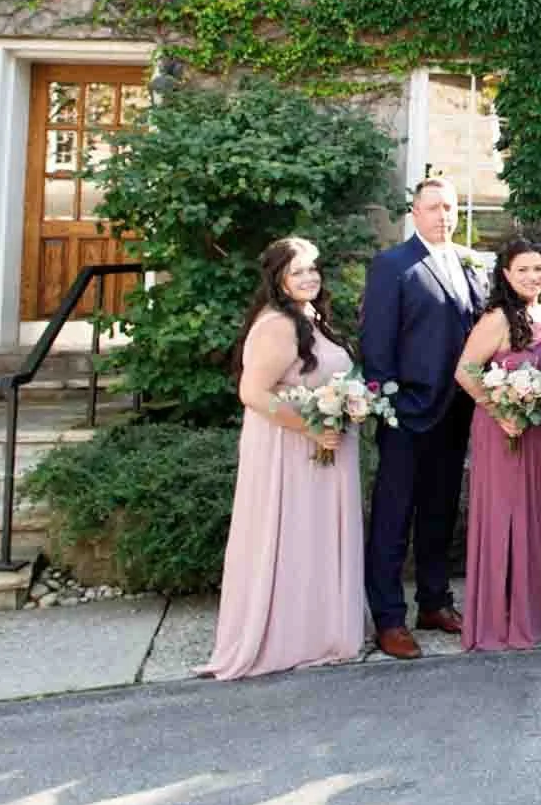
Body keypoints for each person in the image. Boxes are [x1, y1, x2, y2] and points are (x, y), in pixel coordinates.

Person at [202, 237, 366, 680]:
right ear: (278, 278)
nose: (309, 277)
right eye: (298, 271)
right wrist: (312, 427)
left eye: (313, 268)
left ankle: (318, 628)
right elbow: (252, 392)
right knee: (292, 532)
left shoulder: (312, 316)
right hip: (290, 450)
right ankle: (288, 633)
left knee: (315, 535)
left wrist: (351, 405)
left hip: (327, 444)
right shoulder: (276, 324)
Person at [360, 177, 486, 660]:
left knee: (440, 511)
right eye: (433, 207)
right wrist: (389, 405)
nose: (444, 216)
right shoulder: (393, 265)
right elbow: (376, 344)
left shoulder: (468, 263)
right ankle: (388, 619)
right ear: (414, 213)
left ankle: (434, 602)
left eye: (450, 207)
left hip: (456, 413)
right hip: (407, 413)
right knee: (394, 518)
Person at [452, 234, 541, 653]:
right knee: (504, 516)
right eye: (523, 270)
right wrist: (501, 412)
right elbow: (466, 371)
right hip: (502, 431)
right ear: (506, 275)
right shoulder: (496, 318)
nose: (533, 276)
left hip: (540, 430)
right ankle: (499, 618)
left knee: (536, 516)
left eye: (538, 269)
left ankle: (531, 614)